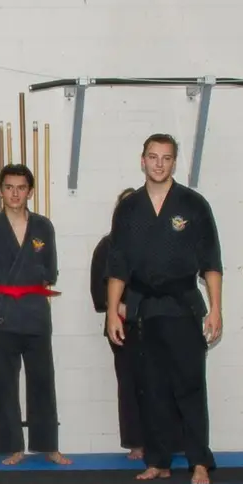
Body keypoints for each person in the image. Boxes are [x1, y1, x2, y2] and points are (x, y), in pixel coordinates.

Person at [105, 134, 223, 484]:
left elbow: (211, 262)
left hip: (182, 305)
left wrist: (216, 309)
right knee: (150, 388)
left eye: (166, 158)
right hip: (143, 308)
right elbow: (118, 265)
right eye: (153, 157)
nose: (159, 164)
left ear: (174, 162)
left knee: (189, 386)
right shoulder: (129, 208)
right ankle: (158, 461)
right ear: (142, 160)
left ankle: (199, 461)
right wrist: (112, 312)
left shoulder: (193, 204)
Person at [0, 163, 66, 466]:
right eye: (9, 187)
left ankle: (48, 445)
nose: (15, 193)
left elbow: (49, 273)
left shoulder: (43, 227)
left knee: (43, 381)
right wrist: (1, 298)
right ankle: (11, 446)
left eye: (21, 188)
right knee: (4, 384)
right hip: (3, 314)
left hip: (35, 312)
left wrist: (26, 295)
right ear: (0, 191)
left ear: (30, 192)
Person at [91, 188, 142, 460]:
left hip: (154, 321)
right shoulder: (107, 246)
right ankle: (136, 443)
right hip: (121, 324)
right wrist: (119, 306)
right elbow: (98, 291)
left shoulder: (155, 242)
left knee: (161, 383)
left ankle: (165, 440)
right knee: (130, 383)